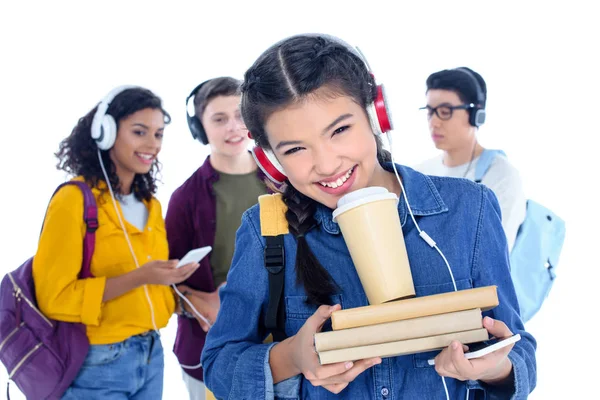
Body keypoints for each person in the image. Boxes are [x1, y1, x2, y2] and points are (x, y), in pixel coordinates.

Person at [201, 34, 537, 399]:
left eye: (340, 130)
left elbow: (519, 354)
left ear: (376, 115)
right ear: (270, 160)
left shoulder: (468, 209)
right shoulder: (265, 230)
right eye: (295, 149)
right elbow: (219, 365)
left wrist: (494, 368)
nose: (327, 164)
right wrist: (292, 357)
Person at [33, 86, 199, 399]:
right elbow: (54, 298)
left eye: (159, 134)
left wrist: (182, 294)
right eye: (140, 132)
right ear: (105, 133)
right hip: (97, 361)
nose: (153, 144)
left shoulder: (150, 206)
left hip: (151, 354)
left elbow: (147, 294)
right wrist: (142, 276)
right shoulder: (74, 200)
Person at [165, 77, 268, 399]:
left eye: (239, 115)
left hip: (282, 336)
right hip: (212, 347)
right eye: (219, 119)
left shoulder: (285, 178)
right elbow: (166, 279)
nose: (233, 127)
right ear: (200, 129)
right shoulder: (185, 198)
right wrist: (202, 303)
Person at [415, 67, 526, 251]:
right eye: (430, 111)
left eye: (445, 111)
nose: (434, 122)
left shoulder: (501, 175)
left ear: (476, 115)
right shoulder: (419, 173)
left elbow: (495, 253)